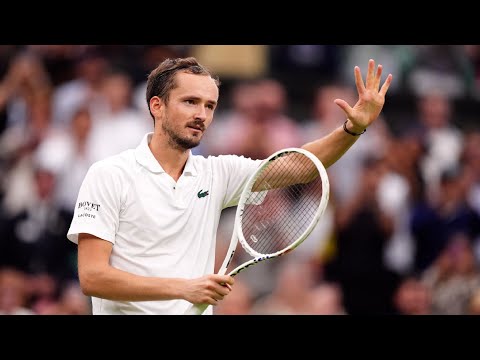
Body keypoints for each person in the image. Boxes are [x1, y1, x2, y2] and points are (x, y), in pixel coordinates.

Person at [66, 56, 392, 315]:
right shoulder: (109, 174)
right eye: (190, 102)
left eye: (209, 106)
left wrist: (351, 128)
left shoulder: (218, 173)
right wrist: (183, 288)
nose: (202, 115)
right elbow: (93, 277)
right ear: (157, 106)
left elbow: (300, 166)